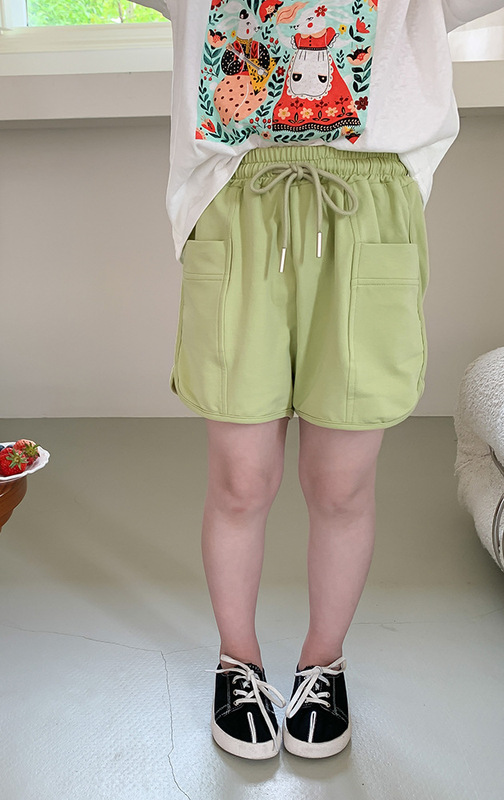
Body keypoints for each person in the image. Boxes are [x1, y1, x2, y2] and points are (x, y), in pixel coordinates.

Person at [135, 0, 504, 760]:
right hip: (239, 198)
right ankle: (238, 663)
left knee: (341, 485)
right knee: (240, 479)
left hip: (369, 206)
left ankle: (322, 664)